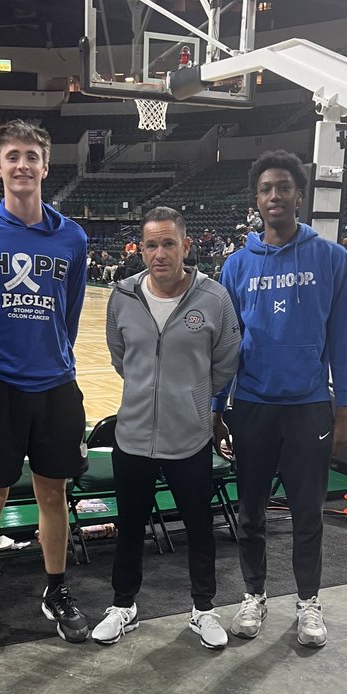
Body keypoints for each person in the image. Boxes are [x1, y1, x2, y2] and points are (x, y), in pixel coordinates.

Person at [0, 118, 89, 658]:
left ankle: (56, 589)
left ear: (46, 166)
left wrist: (51, 353)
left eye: (32, 155)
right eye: (13, 156)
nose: (23, 164)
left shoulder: (72, 237)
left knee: (54, 493)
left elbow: (70, 312)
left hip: (56, 386)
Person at [213, 150, 347, 649]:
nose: (275, 196)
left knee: (307, 513)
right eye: (266, 188)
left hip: (310, 406)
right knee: (250, 511)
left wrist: (343, 409)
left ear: (299, 194)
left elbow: (340, 338)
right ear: (257, 199)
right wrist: (217, 408)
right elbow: (226, 345)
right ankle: (254, 595)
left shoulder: (332, 259)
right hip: (252, 406)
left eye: (284, 187)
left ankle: (309, 602)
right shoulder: (236, 265)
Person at [93, 206, 240, 649]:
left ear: (186, 246)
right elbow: (121, 357)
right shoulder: (122, 297)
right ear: (141, 248)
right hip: (133, 437)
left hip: (189, 438)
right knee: (131, 527)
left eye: (169, 243)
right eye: (151, 244)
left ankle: (203, 609)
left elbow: (226, 359)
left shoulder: (213, 298)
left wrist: (192, 400)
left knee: (199, 528)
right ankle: (123, 606)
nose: (160, 253)